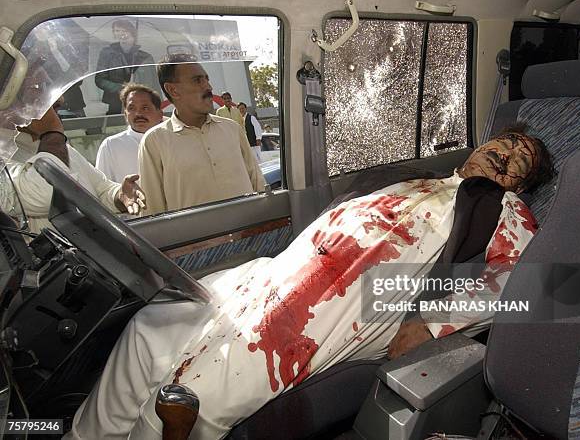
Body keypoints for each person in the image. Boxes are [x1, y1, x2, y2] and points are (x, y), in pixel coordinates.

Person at [67, 126, 554, 439]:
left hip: (361, 293)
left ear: (521, 185)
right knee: (153, 324)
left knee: (194, 389)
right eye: (506, 143)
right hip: (281, 271)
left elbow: (548, 287)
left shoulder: (505, 210)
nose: (507, 156)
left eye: (521, 163)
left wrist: (433, 321)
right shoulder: (419, 177)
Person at [138, 54, 266, 215]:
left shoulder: (232, 129)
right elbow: (153, 211)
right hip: (194, 239)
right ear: (173, 90)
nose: (209, 87)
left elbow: (258, 186)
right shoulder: (154, 141)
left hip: (253, 236)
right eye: (198, 80)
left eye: (207, 79)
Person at [4, 101, 146, 234]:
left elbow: (101, 189)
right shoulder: (6, 154)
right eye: (38, 93)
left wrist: (120, 195)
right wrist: (52, 132)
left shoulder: (62, 149)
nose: (61, 100)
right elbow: (49, 190)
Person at [95, 84, 163, 183]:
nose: (138, 114)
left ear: (160, 114)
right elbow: (102, 187)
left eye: (145, 108)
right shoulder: (111, 146)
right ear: (125, 115)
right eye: (131, 108)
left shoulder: (173, 140)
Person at [95, 19, 160, 115]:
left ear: (132, 32)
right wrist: (122, 88)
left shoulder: (145, 57)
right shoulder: (107, 54)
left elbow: (154, 84)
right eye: (117, 31)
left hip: (142, 102)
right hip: (115, 103)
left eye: (124, 31)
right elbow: (100, 79)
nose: (121, 34)